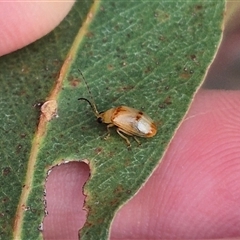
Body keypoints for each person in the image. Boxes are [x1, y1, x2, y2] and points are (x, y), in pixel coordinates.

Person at [2, 2, 240, 239]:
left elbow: (123, 128)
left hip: (143, 128)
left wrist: (128, 138)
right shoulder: (115, 112)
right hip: (141, 124)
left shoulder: (114, 121)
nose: (101, 121)